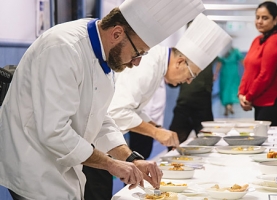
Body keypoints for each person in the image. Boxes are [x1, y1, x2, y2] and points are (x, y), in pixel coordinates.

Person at [0, 0, 206, 199]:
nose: (136, 63)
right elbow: (54, 131)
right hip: (33, 165)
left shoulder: (105, 57)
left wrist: (131, 158)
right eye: (138, 53)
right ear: (117, 33)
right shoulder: (63, 48)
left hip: (63, 167)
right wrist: (110, 163)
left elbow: (99, 119)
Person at [108, 13, 232, 158]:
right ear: (180, 62)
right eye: (191, 75)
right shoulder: (148, 64)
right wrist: (155, 132)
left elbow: (133, 108)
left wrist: (156, 127)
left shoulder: (158, 64)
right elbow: (117, 111)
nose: (189, 81)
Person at [238, 1, 277, 126]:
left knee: (268, 141)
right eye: (257, 17)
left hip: (275, 101)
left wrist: (248, 97)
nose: (259, 21)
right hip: (261, 100)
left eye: (265, 18)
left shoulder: (276, 40)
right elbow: (248, 69)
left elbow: (265, 75)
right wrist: (241, 94)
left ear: (275, 20)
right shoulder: (257, 40)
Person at [169, 60, 215, 145]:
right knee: (175, 139)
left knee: (207, 140)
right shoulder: (186, 58)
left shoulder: (205, 57)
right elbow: (172, 83)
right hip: (188, 102)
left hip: (198, 102)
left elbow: (172, 84)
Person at [214, 47, 244, 116]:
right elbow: (242, 60)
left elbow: (219, 63)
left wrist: (216, 73)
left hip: (225, 72)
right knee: (233, 89)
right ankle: (230, 105)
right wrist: (247, 69)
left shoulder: (223, 52)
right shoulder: (235, 51)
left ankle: (226, 107)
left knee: (225, 89)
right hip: (233, 72)